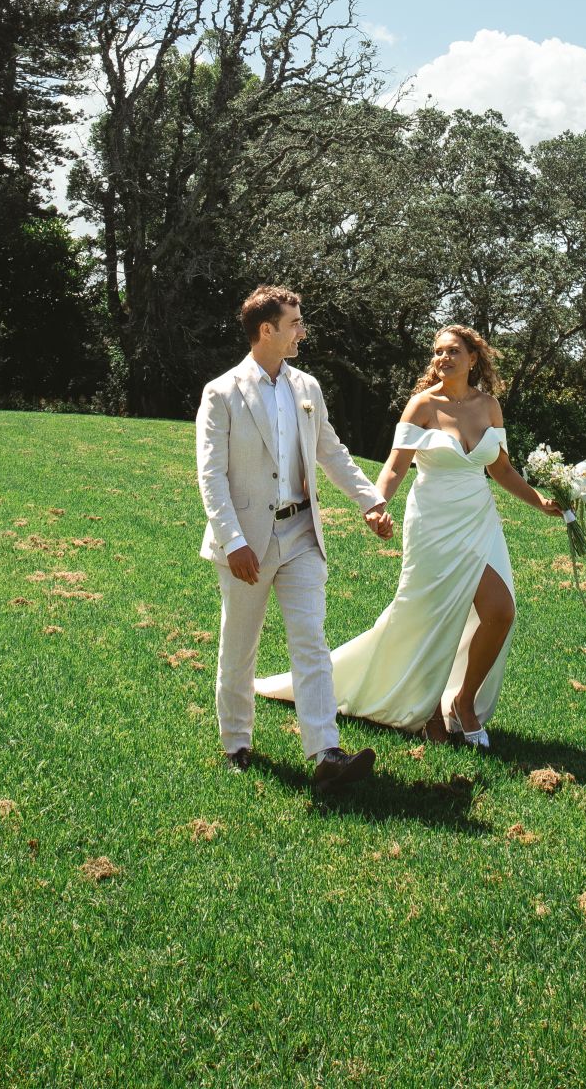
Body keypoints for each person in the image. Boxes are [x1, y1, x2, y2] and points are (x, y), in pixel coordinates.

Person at [256, 324, 562, 748]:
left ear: (473, 358)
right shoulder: (422, 405)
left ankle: (464, 702)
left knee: (501, 611)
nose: (443, 358)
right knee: (426, 616)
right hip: (432, 523)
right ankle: (428, 710)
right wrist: (376, 504)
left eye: (453, 351)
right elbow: (396, 466)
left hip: (478, 521)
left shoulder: (489, 406)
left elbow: (501, 468)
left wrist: (540, 501)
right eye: (438, 352)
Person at [197, 285, 394, 792]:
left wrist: (370, 501)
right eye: (295, 323)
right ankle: (236, 744)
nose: (302, 332)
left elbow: (331, 450)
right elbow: (211, 476)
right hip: (246, 544)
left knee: (310, 639)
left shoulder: (307, 387)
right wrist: (233, 542)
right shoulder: (221, 392)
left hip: (302, 533)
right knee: (240, 647)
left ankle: (326, 751)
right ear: (267, 330)